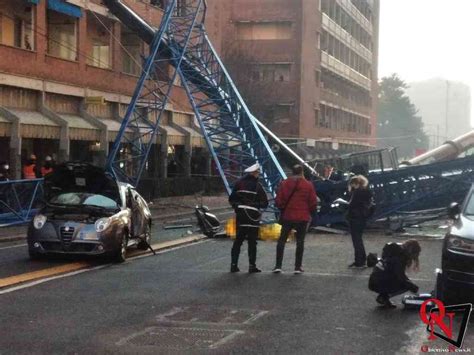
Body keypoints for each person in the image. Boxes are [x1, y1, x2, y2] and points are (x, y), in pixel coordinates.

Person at [273, 164, 317, 274]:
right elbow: (313, 202)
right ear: (302, 172)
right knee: (300, 241)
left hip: (288, 216)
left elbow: (278, 200)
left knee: (282, 240)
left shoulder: (284, 183)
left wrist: (282, 207)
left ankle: (278, 266)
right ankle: (297, 267)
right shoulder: (308, 185)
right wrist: (311, 212)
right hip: (302, 217)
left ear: (292, 172)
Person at [229, 163, 268, 273]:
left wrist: (237, 206)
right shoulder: (258, 186)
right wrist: (256, 205)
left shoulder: (239, 184)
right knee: (252, 242)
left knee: (238, 241)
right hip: (253, 218)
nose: (258, 175)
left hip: (241, 216)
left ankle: (233, 265)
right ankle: (252, 266)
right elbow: (264, 203)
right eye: (257, 173)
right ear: (254, 173)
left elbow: (232, 198)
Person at [368, 240, 421, 308]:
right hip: (380, 281)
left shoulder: (393, 251)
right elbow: (400, 276)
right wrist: (412, 286)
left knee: (394, 278)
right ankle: (383, 297)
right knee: (405, 285)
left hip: (373, 280)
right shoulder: (400, 257)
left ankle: (384, 296)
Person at [346, 175, 373, 268]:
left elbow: (352, 205)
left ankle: (359, 261)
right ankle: (362, 260)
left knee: (356, 241)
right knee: (359, 240)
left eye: (352, 184)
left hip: (355, 218)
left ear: (355, 184)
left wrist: (346, 204)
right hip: (362, 218)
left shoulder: (357, 193)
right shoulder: (367, 191)